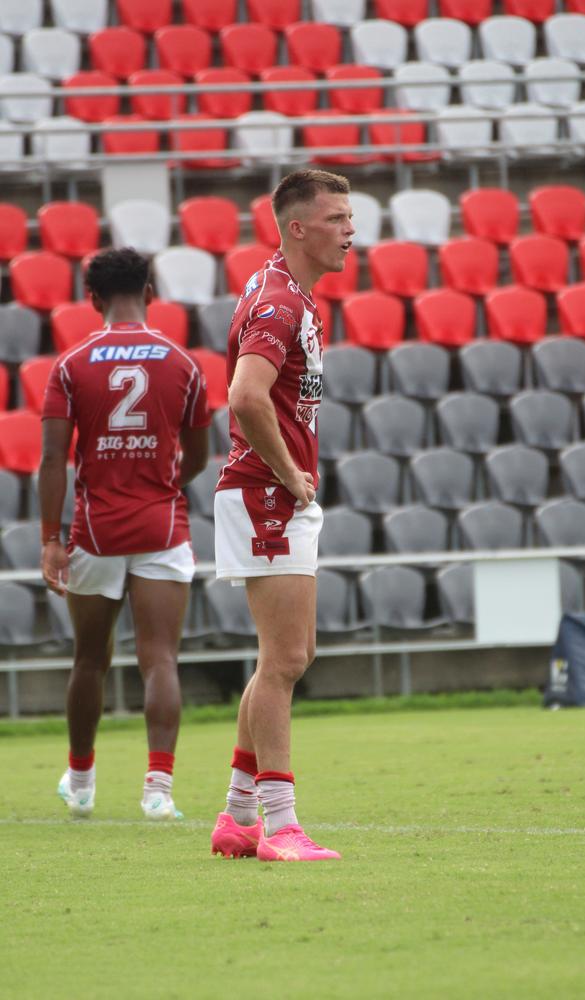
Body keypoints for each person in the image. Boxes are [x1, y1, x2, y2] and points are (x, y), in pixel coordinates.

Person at [210, 168, 354, 862]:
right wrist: (288, 472)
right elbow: (244, 395)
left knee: (289, 657)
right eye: (335, 219)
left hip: (270, 494)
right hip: (267, 495)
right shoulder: (280, 304)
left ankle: (237, 819)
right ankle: (282, 825)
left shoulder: (285, 290)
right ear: (297, 227)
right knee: (287, 659)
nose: (348, 232)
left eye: (348, 219)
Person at [39, 247, 210, 821]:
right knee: (160, 659)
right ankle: (158, 791)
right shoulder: (183, 363)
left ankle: (82, 781)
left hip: (96, 530)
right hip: (163, 524)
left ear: (92, 299)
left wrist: (49, 539)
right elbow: (200, 456)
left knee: (89, 660)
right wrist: (163, 481)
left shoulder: (70, 364)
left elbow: (50, 461)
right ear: (151, 293)